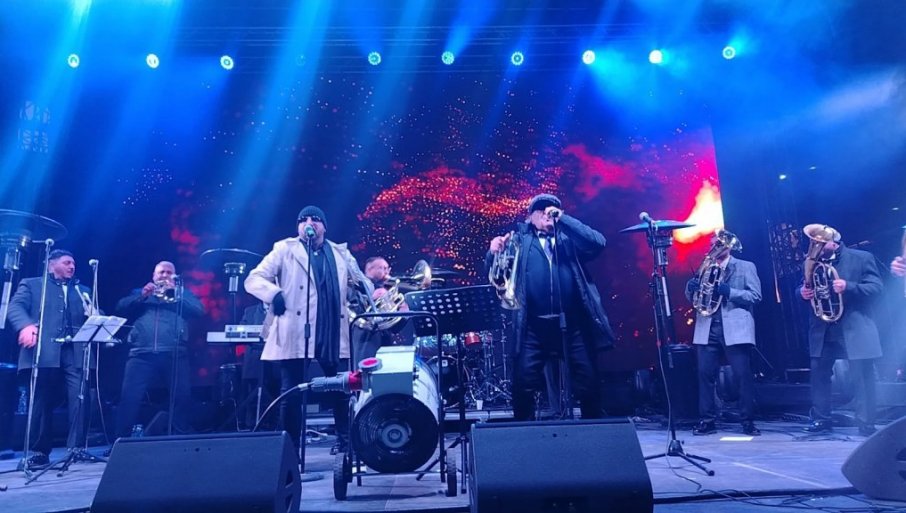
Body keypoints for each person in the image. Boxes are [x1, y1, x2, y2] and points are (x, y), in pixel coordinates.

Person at [245, 205, 372, 456]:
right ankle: (290, 450)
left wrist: (364, 288)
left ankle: (346, 444)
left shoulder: (340, 253)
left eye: (315, 219)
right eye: (303, 219)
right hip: (296, 330)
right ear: (298, 226)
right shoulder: (284, 249)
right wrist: (274, 294)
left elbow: (363, 281)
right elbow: (254, 278)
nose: (309, 223)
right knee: (291, 392)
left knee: (341, 388)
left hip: (331, 330)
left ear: (324, 226)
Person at [487, 193, 615, 421]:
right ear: (529, 217)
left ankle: (593, 432)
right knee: (523, 383)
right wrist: (493, 252)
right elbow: (496, 274)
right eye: (541, 210)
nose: (547, 213)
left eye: (552, 209)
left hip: (573, 324)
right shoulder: (519, 241)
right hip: (533, 326)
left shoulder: (568, 239)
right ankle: (523, 434)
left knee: (589, 381)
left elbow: (598, 242)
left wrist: (563, 219)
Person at [8, 249, 93, 468]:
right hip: (44, 350)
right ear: (51, 264)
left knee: (80, 397)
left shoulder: (81, 290)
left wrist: (95, 313)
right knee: (42, 400)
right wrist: (25, 325)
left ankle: (76, 448)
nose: (72, 266)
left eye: (73, 263)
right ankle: (39, 452)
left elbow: (93, 315)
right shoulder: (33, 284)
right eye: (67, 262)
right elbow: (15, 307)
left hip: (74, 351)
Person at [799, 227, 882, 435]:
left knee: (861, 376)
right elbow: (804, 287)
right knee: (819, 374)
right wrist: (802, 292)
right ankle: (821, 419)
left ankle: (866, 422)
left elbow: (876, 287)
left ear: (833, 243)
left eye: (820, 243)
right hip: (823, 328)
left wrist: (848, 286)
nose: (815, 247)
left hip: (853, 326)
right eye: (813, 243)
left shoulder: (861, 258)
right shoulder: (811, 262)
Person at [114, 261, 205, 439]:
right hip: (141, 352)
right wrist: (142, 295)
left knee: (181, 397)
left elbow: (199, 310)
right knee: (129, 398)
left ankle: (180, 438)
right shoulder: (139, 293)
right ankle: (121, 440)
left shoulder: (183, 294)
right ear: (154, 276)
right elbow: (120, 307)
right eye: (161, 272)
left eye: (169, 272)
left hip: (174, 352)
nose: (164, 275)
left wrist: (177, 294)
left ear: (175, 277)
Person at [684, 232, 763, 436]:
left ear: (728, 246)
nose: (715, 248)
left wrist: (730, 292)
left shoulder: (745, 266)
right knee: (705, 376)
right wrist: (690, 289)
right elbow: (695, 299)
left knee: (742, 376)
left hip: (735, 328)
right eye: (713, 244)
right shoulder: (705, 267)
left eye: (719, 244)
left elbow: (755, 295)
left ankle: (747, 421)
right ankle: (707, 421)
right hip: (707, 327)